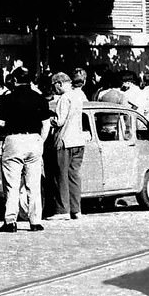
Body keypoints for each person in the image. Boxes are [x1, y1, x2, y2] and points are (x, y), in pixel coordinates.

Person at [0, 67, 51, 233]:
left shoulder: (8, 99)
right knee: (33, 184)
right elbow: (46, 124)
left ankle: (10, 221)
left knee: (12, 185)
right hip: (34, 140)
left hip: (14, 140)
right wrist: (40, 140)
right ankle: (35, 221)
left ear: (14, 80)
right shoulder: (40, 98)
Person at [47, 71, 88, 221]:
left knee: (61, 176)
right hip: (78, 141)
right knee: (74, 176)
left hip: (65, 141)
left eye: (54, 86)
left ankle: (62, 210)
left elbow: (59, 121)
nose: (54, 89)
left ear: (59, 84)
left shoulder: (64, 98)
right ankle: (76, 209)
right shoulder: (78, 95)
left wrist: (50, 119)